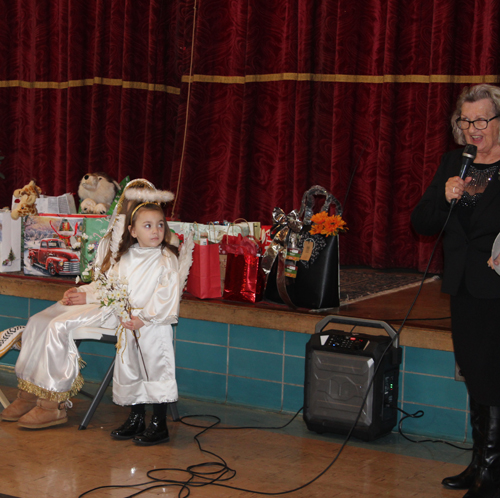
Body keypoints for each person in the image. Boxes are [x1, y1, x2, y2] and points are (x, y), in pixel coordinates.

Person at [0, 185, 193, 446]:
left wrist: (144, 318)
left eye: (160, 225)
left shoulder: (165, 259)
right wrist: (92, 295)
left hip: (151, 326)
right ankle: (136, 417)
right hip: (127, 324)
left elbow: (165, 295)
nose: (156, 231)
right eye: (147, 226)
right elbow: (110, 286)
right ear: (132, 231)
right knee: (131, 370)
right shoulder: (127, 257)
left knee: (154, 371)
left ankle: (158, 424)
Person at [412, 83, 500, 498]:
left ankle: (491, 472)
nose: (473, 129)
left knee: (493, 375)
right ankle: (479, 462)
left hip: (498, 285)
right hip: (464, 285)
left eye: (483, 120)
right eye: (466, 122)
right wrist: (444, 197)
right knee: (476, 373)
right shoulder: (455, 162)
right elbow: (422, 221)